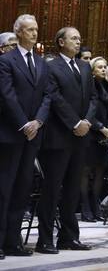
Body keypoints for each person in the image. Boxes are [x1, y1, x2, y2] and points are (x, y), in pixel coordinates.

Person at [36, 26, 97, 254]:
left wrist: (87, 121)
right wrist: (75, 123)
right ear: (61, 42)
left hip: (81, 136)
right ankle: (45, 239)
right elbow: (54, 97)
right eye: (73, 38)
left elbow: (93, 98)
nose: (78, 42)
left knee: (72, 189)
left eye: (80, 38)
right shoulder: (51, 66)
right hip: (59, 136)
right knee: (52, 189)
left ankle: (69, 237)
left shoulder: (83, 66)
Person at [0, 14, 49, 258]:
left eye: (36, 29)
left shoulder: (41, 63)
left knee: (22, 189)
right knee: (4, 188)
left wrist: (38, 121)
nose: (34, 33)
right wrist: (24, 124)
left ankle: (13, 241)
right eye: (29, 29)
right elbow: (7, 96)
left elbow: (47, 96)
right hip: (12, 134)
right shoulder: (6, 61)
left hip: (33, 134)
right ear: (18, 32)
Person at [80, 57, 108, 221]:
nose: (103, 69)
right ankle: (85, 207)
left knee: (100, 171)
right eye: (100, 67)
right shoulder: (88, 85)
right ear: (92, 70)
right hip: (91, 133)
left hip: (104, 135)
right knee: (86, 172)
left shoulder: (107, 86)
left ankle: (96, 206)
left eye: (105, 67)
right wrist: (101, 127)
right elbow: (87, 111)